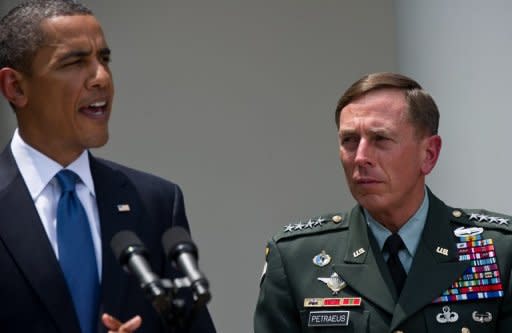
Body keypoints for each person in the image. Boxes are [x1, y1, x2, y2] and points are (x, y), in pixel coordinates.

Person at [0, 1, 215, 332]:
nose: (101, 77)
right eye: (74, 62)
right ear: (15, 87)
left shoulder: (156, 203)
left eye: (104, 59)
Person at [254, 72, 512, 332]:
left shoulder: (501, 251)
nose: (361, 157)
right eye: (349, 141)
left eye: (381, 139)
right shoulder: (296, 257)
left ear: (429, 154)